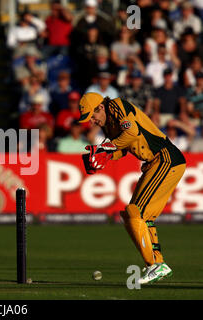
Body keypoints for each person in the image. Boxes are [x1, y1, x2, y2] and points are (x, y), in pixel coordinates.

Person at [79, 92, 186, 284]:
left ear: (101, 107)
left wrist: (105, 148)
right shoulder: (108, 125)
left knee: (135, 212)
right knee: (133, 215)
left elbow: (132, 133)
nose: (92, 122)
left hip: (165, 158)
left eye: (92, 116)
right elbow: (123, 148)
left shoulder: (116, 106)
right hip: (156, 162)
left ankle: (154, 265)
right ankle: (157, 264)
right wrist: (108, 156)